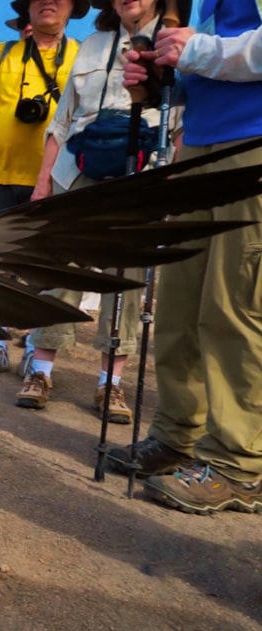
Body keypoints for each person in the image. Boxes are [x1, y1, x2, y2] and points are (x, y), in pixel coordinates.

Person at [106, 2, 262, 514]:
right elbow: (207, 70)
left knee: (233, 306)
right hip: (198, 147)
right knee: (176, 301)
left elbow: (221, 53)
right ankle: (179, 436)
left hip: (253, 146)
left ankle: (238, 462)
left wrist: (197, 49)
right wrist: (156, 79)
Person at [14, 0, 182, 421]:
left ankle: (111, 382)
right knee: (60, 270)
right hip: (77, 171)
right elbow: (62, 121)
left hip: (140, 173)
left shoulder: (175, 42)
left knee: (124, 278)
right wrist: (42, 183)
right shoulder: (92, 44)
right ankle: (41, 370)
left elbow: (179, 123)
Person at [0, 0, 89, 376]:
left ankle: (36, 346)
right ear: (26, 10)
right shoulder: (3, 52)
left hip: (56, 177)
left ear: (72, 8)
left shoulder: (83, 54)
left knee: (46, 267)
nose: (48, 2)